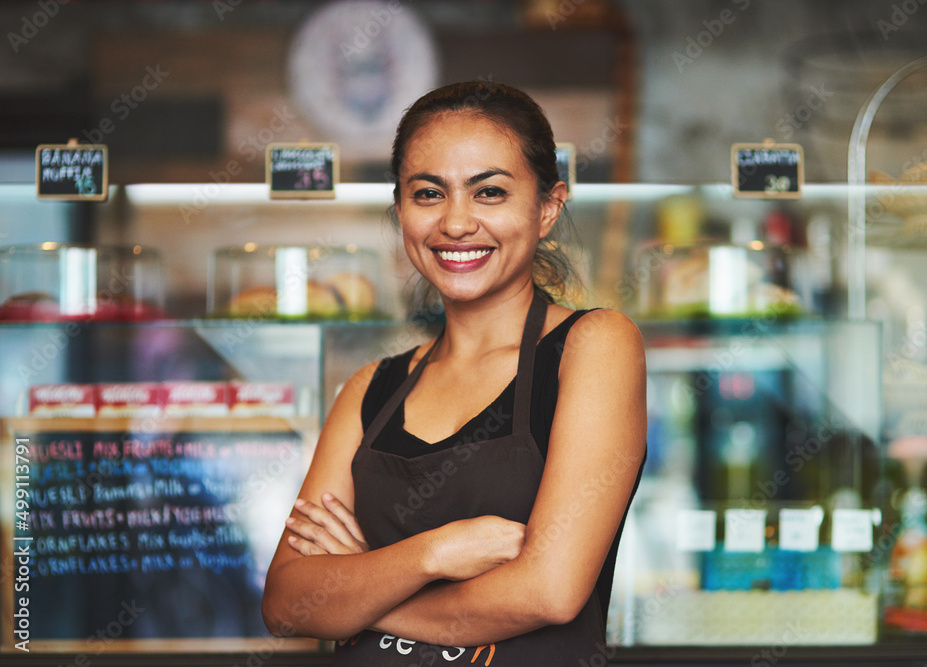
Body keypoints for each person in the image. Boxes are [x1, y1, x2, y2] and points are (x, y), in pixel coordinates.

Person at [261, 80, 646, 665]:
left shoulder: (593, 346)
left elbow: (550, 592)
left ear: (547, 207)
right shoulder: (370, 390)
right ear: (401, 211)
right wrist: (433, 555)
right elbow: (286, 603)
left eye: (489, 192)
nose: (457, 223)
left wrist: (358, 591)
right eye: (428, 194)